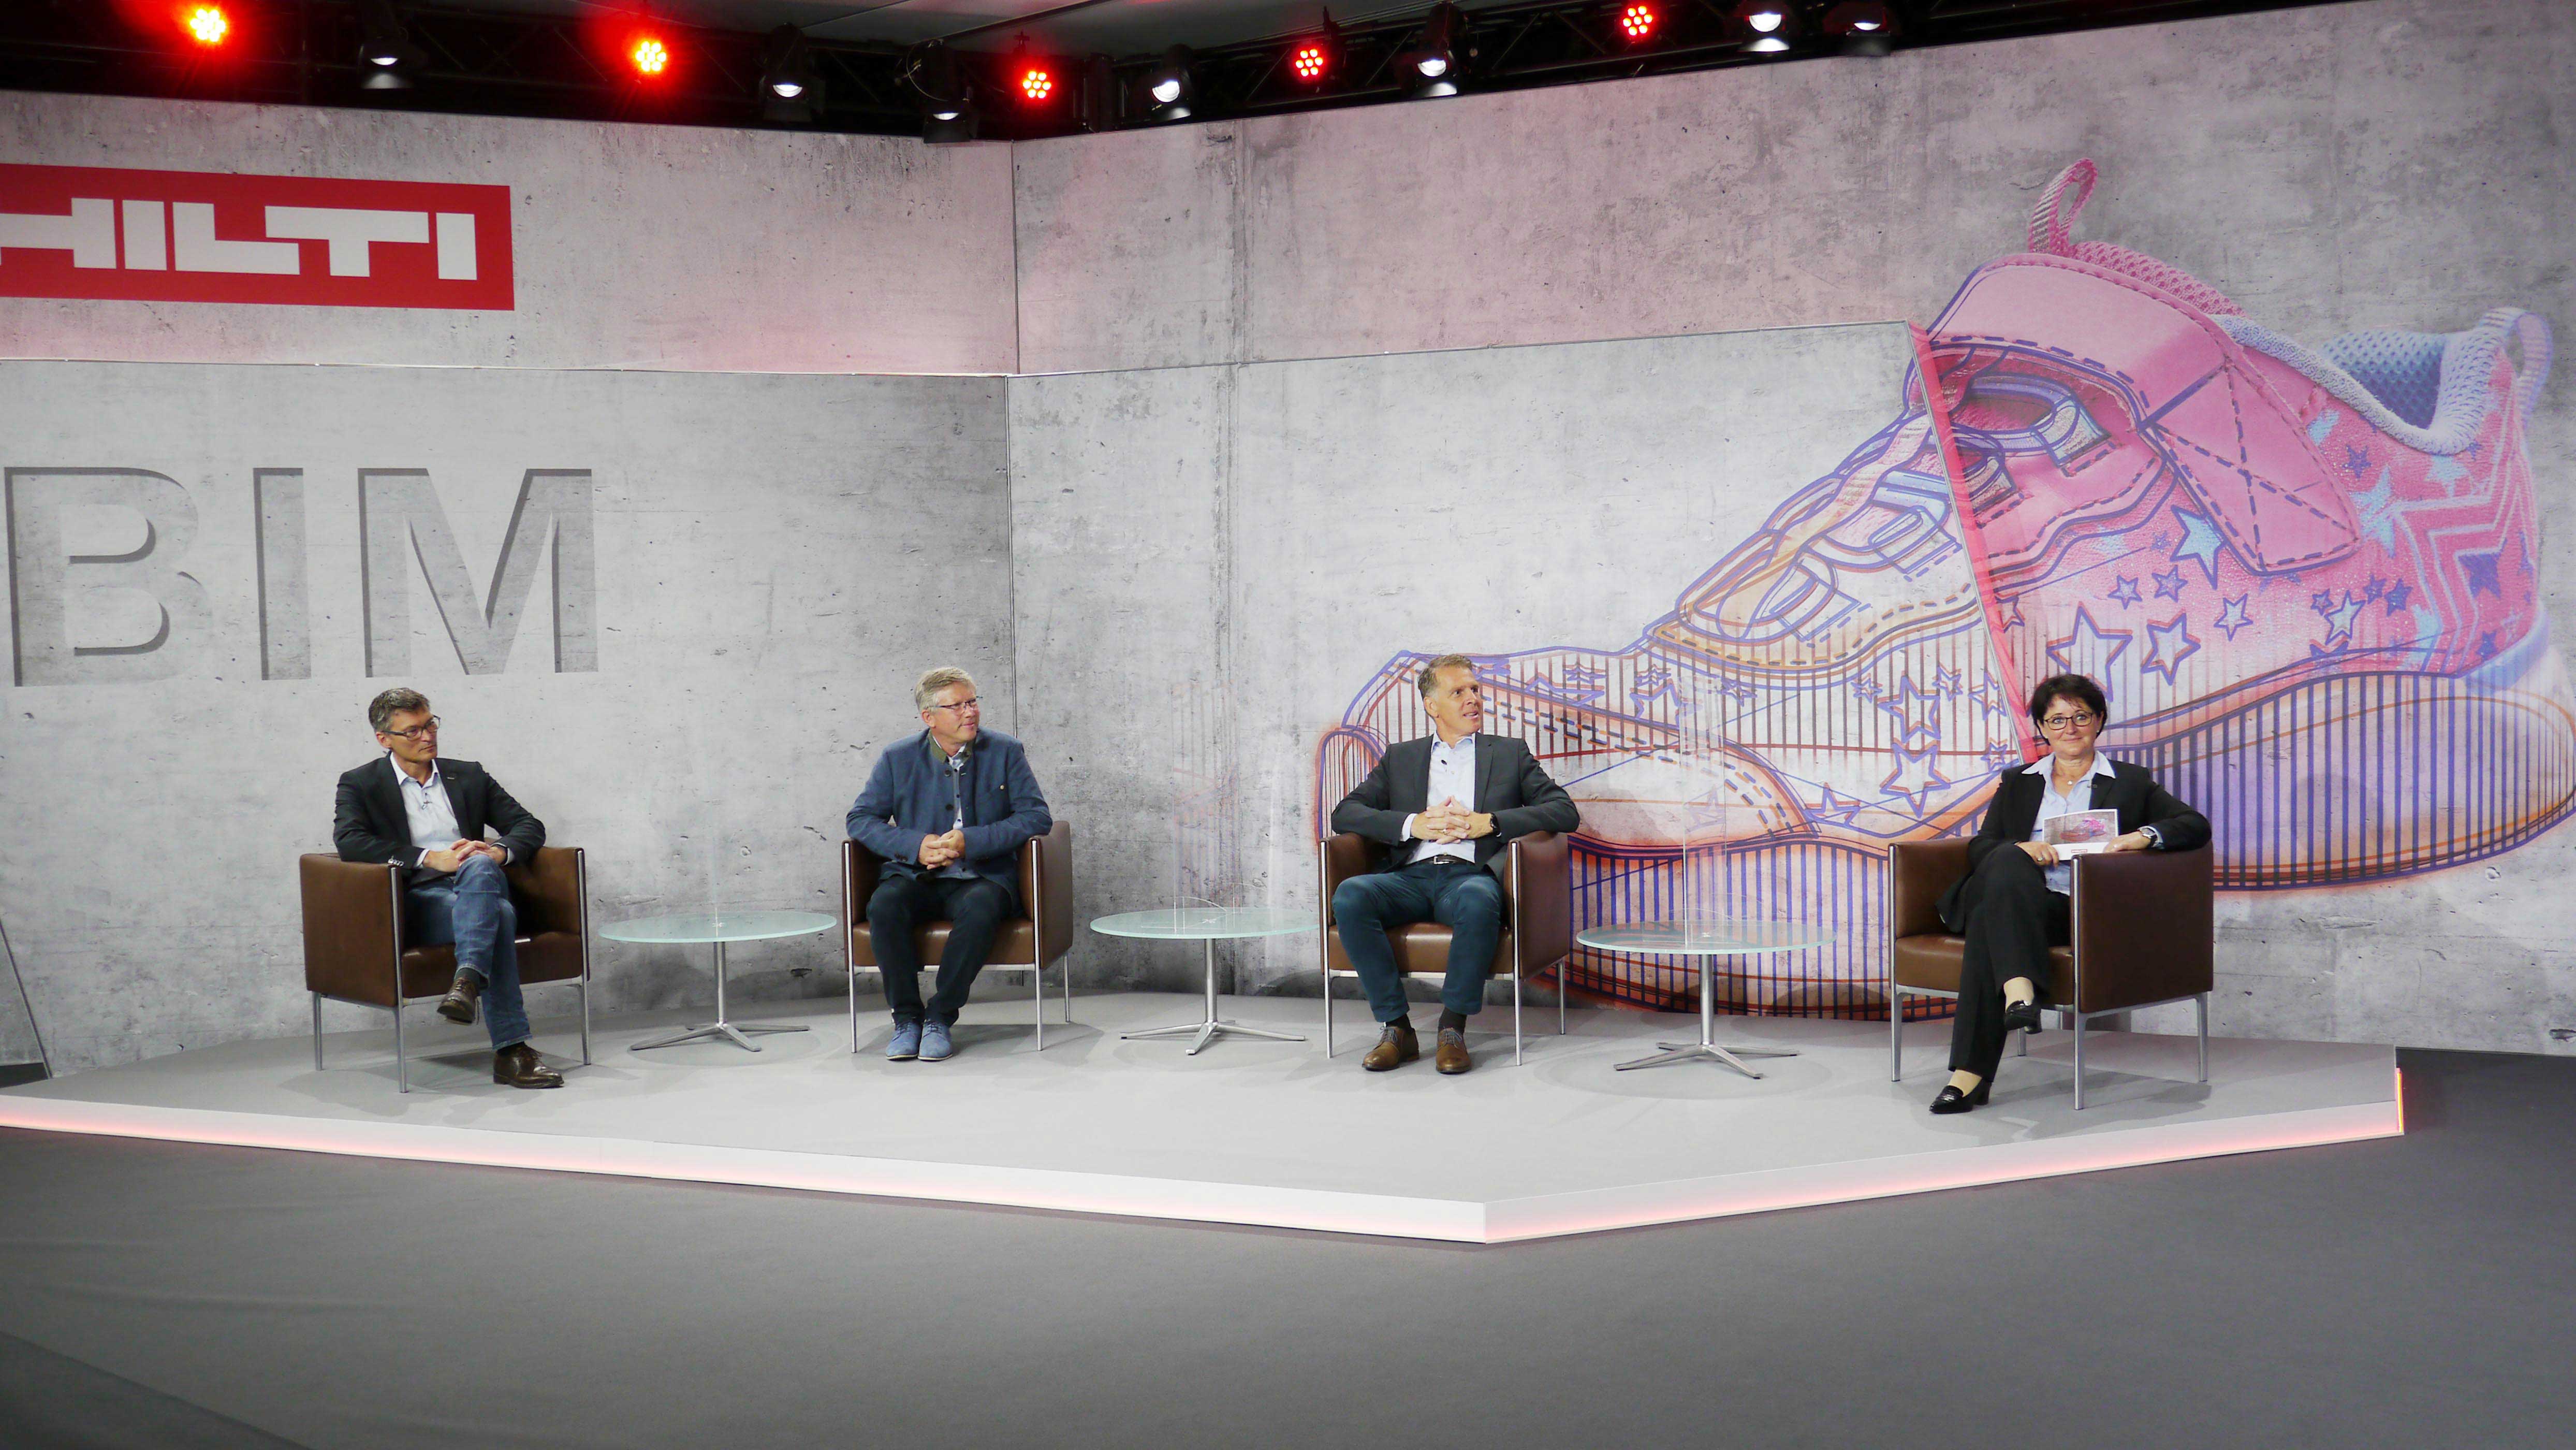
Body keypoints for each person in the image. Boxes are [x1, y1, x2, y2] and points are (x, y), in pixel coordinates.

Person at [1930, 672, 2211, 1113]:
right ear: (2042, 728)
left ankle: (1975, 1068)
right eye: (2057, 720)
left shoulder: (2130, 782)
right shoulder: (2019, 781)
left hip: (2077, 909)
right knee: (2007, 858)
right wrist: (2023, 848)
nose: (2070, 728)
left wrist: (2140, 837)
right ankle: (2016, 996)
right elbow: (1982, 846)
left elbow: (2194, 825)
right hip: (2018, 896)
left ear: (2098, 720)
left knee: (1989, 920)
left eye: (2080, 716)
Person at [1329, 654, 1581, 1075]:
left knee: (1479, 900)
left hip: (1469, 875)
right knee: (1352, 895)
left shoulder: (1509, 753)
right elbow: (1345, 813)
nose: (1473, 699)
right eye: (1459, 692)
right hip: (1410, 876)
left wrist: (1491, 822)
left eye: (1475, 690)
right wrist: (1413, 824)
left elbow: (1564, 811)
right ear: (1432, 706)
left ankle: (1452, 1028)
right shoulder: (1401, 757)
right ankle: (1397, 1028)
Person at [332, 689, 561, 1089]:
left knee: (480, 865)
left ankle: (466, 982)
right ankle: (511, 1051)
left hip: (480, 882)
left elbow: (528, 825)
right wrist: (428, 858)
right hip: (425, 899)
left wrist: (496, 852)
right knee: (500, 915)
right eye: (413, 731)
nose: (427, 737)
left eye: (431, 725)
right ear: (384, 738)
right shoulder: (361, 783)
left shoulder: (468, 775)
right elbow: (349, 841)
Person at [846, 668, 1052, 1063]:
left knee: (981, 906)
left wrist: (970, 841)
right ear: (929, 717)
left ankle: (939, 1018)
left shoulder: (1006, 750)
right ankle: (907, 1019)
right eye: (956, 706)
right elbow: (861, 819)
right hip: (916, 874)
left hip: (982, 876)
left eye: (972, 702)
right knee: (884, 905)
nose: (969, 712)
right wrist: (915, 846)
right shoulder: (897, 757)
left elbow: (1036, 817)